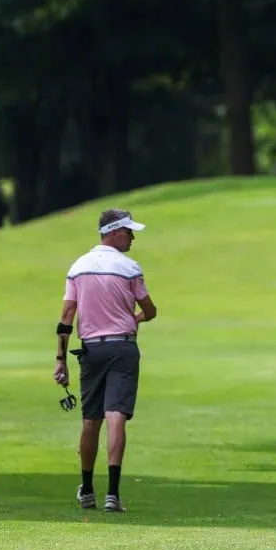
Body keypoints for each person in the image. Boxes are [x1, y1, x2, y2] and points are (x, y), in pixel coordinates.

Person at [55, 208, 158, 513]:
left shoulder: (78, 267)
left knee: (91, 419)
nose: (132, 237)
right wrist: (134, 319)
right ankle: (112, 494)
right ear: (113, 232)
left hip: (92, 349)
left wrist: (60, 360)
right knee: (116, 416)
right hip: (123, 348)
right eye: (128, 231)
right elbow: (150, 310)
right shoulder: (129, 268)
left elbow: (66, 318)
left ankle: (87, 490)